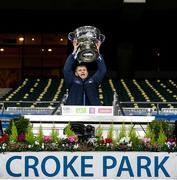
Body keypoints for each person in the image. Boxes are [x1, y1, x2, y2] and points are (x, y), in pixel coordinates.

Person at [63, 39, 107, 105]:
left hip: (92, 112)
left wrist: (97, 52)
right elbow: (66, 69)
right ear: (76, 73)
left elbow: (102, 70)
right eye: (80, 70)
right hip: (74, 112)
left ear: (87, 72)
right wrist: (74, 52)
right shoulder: (71, 80)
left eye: (84, 70)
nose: (82, 71)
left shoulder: (93, 80)